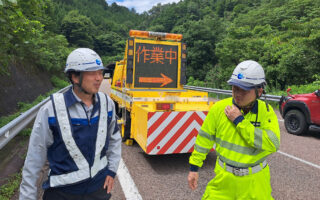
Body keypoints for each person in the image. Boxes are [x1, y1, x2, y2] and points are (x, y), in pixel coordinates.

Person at [19, 48, 121, 200]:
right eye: (92, 73)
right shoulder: (51, 109)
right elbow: (34, 158)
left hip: (98, 190)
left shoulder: (107, 104)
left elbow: (114, 139)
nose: (99, 78)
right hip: (62, 194)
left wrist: (111, 171)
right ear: (75, 76)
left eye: (100, 72)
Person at [188, 60, 280, 199]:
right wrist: (194, 168)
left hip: (255, 183)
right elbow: (204, 140)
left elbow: (272, 144)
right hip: (223, 181)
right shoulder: (219, 108)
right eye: (235, 88)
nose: (238, 94)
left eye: (244, 90)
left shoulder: (266, 112)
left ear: (259, 91)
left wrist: (239, 121)